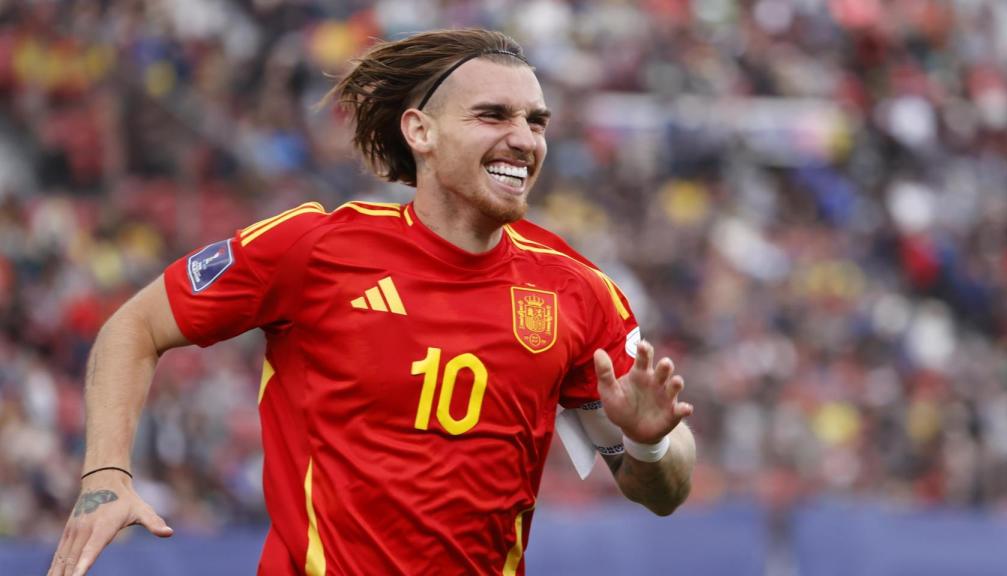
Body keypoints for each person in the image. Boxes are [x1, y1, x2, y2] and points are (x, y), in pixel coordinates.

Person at [48, 28, 697, 575]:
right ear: (420, 130)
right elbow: (135, 325)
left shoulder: (576, 290)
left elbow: (664, 490)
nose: (524, 139)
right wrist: (107, 473)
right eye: (493, 116)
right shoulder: (313, 249)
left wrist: (646, 447)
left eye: (536, 121)